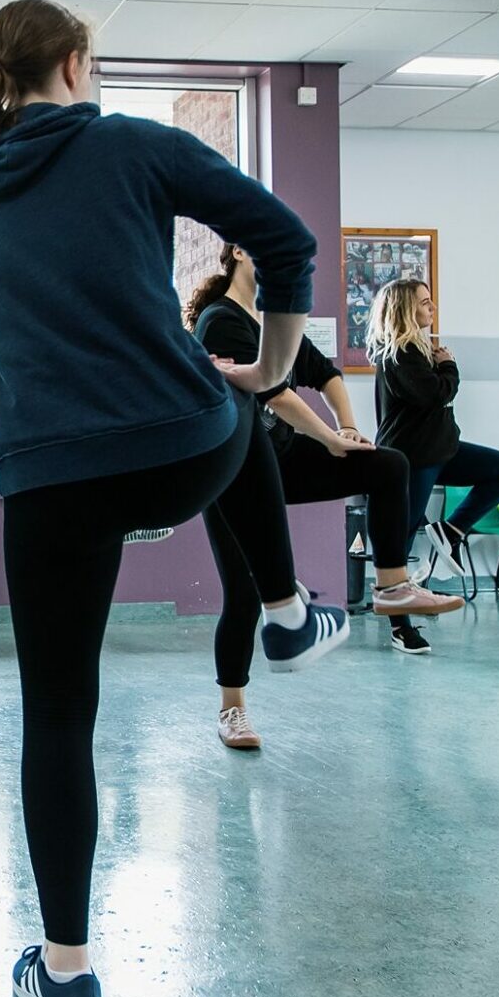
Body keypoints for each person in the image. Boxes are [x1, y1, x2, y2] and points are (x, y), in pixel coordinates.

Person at [0, 0, 347, 997]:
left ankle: (68, 975)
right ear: (75, 62)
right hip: (178, 451)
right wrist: (268, 363)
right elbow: (285, 239)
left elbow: (20, 330)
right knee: (238, 395)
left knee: (57, 714)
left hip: (47, 473)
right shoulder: (127, 142)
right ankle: (290, 607)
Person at [190, 243, 462, 750]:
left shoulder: (275, 319)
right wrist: (329, 438)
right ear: (241, 254)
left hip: (283, 461)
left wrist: (351, 428)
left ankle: (392, 585)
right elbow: (276, 393)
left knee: (386, 464)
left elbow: (327, 373)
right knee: (244, 594)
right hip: (234, 472)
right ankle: (233, 709)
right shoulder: (219, 319)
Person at [369, 276, 499, 654]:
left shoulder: (418, 349)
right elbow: (435, 395)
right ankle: (401, 627)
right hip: (414, 457)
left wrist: (440, 363)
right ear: (406, 309)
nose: (432, 308)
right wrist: (450, 366)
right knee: (401, 536)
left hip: (442, 450)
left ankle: (450, 530)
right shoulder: (399, 352)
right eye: (425, 302)